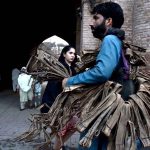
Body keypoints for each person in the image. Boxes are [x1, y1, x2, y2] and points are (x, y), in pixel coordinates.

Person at [62, 2, 142, 150]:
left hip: (105, 110)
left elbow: (102, 72)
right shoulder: (118, 41)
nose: (91, 24)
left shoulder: (110, 40)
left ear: (108, 21)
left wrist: (70, 81)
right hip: (111, 112)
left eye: (96, 18)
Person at [40, 45, 77, 113]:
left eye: (74, 53)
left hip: (69, 102)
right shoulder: (58, 68)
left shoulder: (74, 68)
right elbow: (52, 87)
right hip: (55, 102)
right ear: (64, 54)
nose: (73, 55)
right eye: (70, 53)